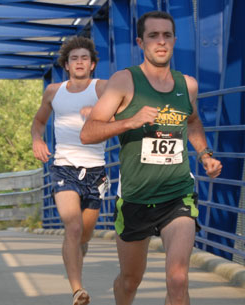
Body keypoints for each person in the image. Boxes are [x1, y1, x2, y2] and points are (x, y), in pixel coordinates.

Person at [80, 11, 222, 305]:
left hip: (177, 193)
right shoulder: (123, 82)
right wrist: (128, 122)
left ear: (174, 40)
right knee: (130, 281)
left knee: (178, 279)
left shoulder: (188, 86)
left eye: (167, 35)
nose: (161, 42)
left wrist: (205, 153)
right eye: (153, 36)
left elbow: (192, 121)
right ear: (140, 42)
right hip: (135, 197)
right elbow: (88, 132)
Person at [31, 36, 109, 305]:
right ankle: (78, 290)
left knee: (85, 234)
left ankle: (77, 253)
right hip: (64, 167)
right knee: (73, 227)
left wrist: (101, 111)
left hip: (96, 171)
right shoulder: (54, 91)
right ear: (66, 64)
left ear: (92, 64)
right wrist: (37, 139)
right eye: (74, 58)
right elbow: (39, 121)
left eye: (84, 58)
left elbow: (124, 114)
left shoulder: (103, 89)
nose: (79, 62)